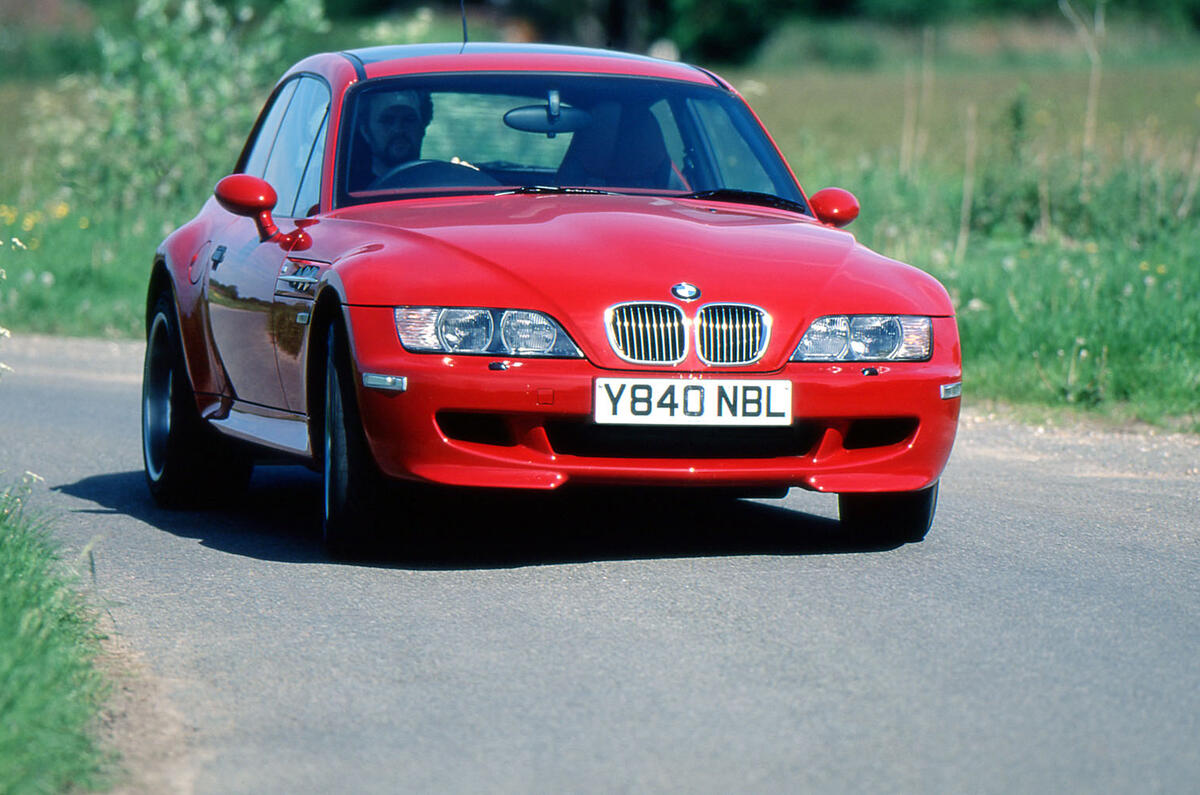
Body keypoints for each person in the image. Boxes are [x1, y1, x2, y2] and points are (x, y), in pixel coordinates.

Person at [349, 89, 434, 190]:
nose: (398, 130)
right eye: (387, 120)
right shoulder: (350, 191)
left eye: (409, 119)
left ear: (423, 127)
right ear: (366, 131)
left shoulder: (442, 183)